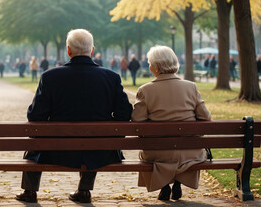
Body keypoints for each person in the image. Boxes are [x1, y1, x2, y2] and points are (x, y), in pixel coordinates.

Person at [16, 29, 132, 204]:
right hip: (100, 150)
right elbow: (125, 114)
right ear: (92, 50)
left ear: (68, 50)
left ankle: (30, 191)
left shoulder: (50, 77)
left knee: (35, 144)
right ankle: (84, 190)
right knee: (93, 142)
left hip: (56, 150)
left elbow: (35, 116)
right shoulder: (111, 77)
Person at [132, 45, 211, 201]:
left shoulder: (145, 90)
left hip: (157, 151)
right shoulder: (191, 87)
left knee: (150, 152)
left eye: (149, 63)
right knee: (182, 152)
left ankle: (164, 186)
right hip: (189, 152)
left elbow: (138, 122)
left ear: (155, 67)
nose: (148, 66)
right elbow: (206, 118)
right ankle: (178, 184)